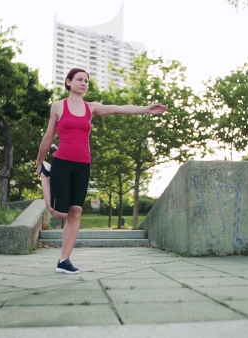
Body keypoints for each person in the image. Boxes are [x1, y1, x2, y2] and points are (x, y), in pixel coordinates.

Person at [36, 68, 168, 274]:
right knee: (58, 213)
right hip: (62, 162)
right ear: (68, 82)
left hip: (83, 164)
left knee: (76, 211)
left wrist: (145, 109)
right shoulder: (58, 106)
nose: (84, 83)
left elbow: (119, 109)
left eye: (86, 81)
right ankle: (46, 177)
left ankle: (64, 260)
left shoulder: (92, 108)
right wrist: (39, 161)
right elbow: (48, 137)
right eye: (79, 80)